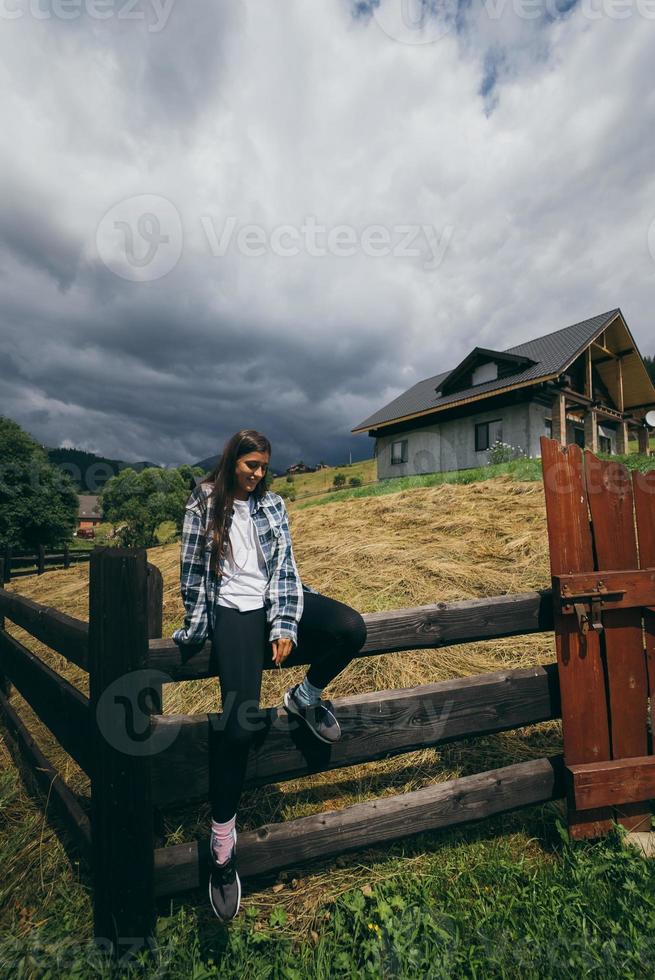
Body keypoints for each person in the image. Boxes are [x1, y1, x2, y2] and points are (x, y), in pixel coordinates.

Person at [172, 429, 367, 923]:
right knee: (239, 726)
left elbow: (284, 568)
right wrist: (195, 626)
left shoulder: (272, 506)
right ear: (232, 460)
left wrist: (283, 622)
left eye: (264, 467)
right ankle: (222, 847)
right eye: (251, 465)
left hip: (275, 601)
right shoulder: (203, 501)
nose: (259, 474)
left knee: (351, 629)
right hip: (232, 611)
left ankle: (305, 696)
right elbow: (192, 569)